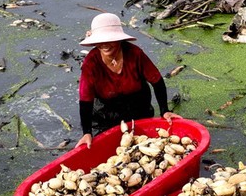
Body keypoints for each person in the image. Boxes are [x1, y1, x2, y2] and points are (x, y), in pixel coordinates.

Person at [75, 12, 181, 148]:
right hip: (106, 112)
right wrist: (87, 132)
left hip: (137, 107)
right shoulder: (91, 63)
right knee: (110, 147)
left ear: (119, 39)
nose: (105, 45)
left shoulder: (135, 54)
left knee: (142, 144)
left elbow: (157, 81)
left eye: (110, 40)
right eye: (100, 41)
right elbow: (85, 99)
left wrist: (164, 111)